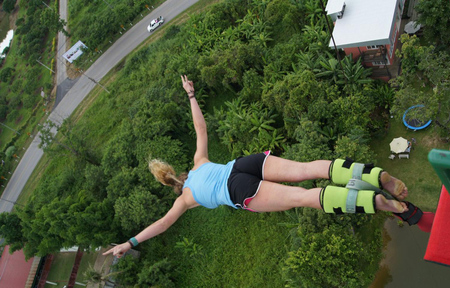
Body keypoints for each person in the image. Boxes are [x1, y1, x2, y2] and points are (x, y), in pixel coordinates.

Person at [104, 75, 428, 258]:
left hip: (237, 190)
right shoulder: (199, 161)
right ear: (181, 172)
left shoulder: (185, 199)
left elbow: (161, 225)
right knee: (310, 168)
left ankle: (376, 202)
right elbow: (201, 130)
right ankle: (374, 176)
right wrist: (191, 94)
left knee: (304, 197)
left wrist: (129, 243)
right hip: (244, 164)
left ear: (174, 184)